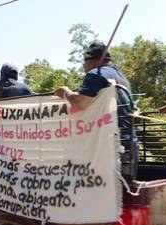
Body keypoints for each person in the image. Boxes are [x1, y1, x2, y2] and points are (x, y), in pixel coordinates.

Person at [54, 41, 138, 179]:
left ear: (92, 60)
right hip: (129, 142)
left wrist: (65, 92)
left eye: (84, 63)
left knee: (101, 193)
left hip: (109, 145)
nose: (84, 68)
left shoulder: (96, 74)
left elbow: (80, 103)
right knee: (121, 193)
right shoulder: (119, 76)